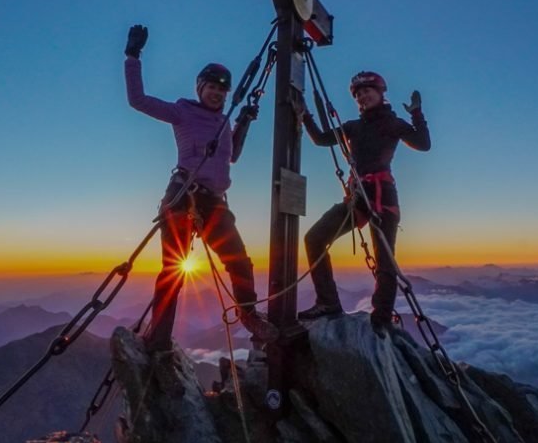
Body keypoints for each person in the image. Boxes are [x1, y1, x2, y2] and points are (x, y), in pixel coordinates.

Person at [124, 24, 278, 351]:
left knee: (239, 260)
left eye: (222, 90)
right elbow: (137, 100)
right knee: (173, 271)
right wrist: (132, 55)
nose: (217, 93)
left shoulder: (224, 123)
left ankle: (249, 317)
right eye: (211, 87)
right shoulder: (182, 112)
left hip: (214, 202)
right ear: (200, 88)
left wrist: (244, 122)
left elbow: (231, 155)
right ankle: (159, 340)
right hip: (182, 197)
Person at [298, 71, 431, 332]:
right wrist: (305, 115)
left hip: (382, 195)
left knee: (385, 259)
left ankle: (380, 319)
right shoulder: (353, 127)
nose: (362, 97)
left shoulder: (392, 123)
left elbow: (423, 143)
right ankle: (328, 302)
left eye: (367, 91)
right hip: (358, 197)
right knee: (314, 238)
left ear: (381, 93)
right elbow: (321, 139)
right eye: (358, 94)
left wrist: (417, 113)